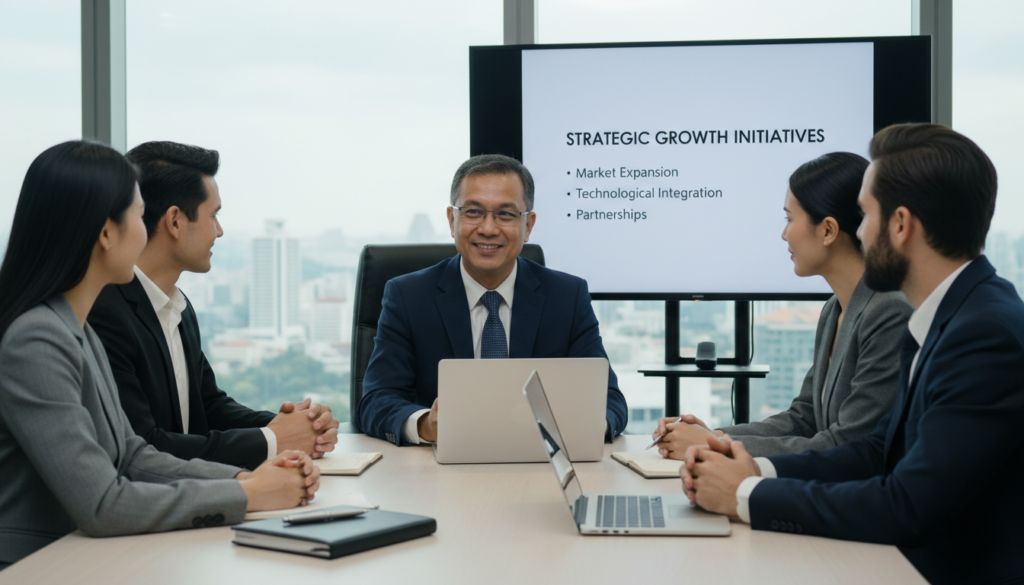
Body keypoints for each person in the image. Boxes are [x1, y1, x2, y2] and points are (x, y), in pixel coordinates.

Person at [679, 124, 1024, 584]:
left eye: (864, 215)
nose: (858, 231)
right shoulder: (949, 315)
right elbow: (877, 451)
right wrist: (754, 467)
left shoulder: (982, 334)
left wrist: (745, 493)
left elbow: (908, 505)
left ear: (900, 225)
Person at [0, 141, 319, 569]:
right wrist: (249, 494)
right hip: (38, 566)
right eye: (136, 215)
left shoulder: (71, 327)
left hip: (90, 557)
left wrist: (249, 477)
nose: (144, 229)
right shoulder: (35, 339)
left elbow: (132, 457)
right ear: (106, 233)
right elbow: (102, 502)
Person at [87, 141, 339, 471]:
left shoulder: (177, 305)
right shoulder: (105, 313)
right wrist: (275, 440)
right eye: (214, 215)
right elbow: (144, 446)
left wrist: (295, 426)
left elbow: (208, 406)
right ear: (175, 221)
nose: (219, 231)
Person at [652, 153, 911, 457]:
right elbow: (805, 418)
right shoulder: (834, 309)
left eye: (789, 219)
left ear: (828, 230)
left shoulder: (888, 312)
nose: (784, 233)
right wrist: (715, 435)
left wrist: (717, 446)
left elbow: (848, 444)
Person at [356, 154, 627, 445]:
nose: (488, 228)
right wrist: (425, 425)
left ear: (529, 226)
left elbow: (609, 401)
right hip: (438, 470)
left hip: (538, 467)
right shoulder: (408, 297)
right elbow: (375, 400)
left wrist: (581, 426)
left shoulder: (567, 297)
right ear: (452, 219)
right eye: (473, 212)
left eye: (505, 214)